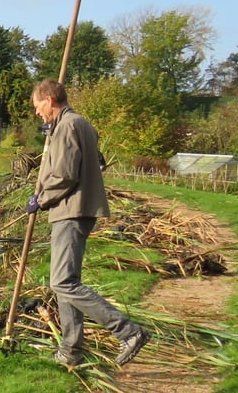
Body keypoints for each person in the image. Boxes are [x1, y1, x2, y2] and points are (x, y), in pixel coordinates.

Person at [29, 80, 149, 368]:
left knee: (62, 282)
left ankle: (129, 332)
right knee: (65, 283)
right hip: (75, 211)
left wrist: (42, 198)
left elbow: (65, 175)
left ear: (50, 100)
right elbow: (98, 161)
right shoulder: (80, 124)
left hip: (71, 211)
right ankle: (71, 350)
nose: (37, 113)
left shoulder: (68, 125)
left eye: (37, 107)